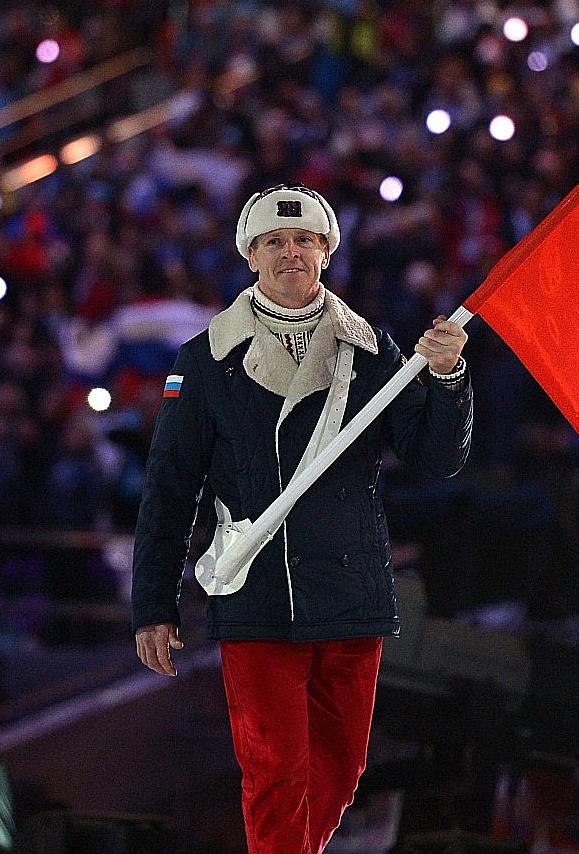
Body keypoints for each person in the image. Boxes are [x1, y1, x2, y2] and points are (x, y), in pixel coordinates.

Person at [132, 183, 472, 854]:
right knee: (276, 776)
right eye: (274, 242)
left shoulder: (373, 347)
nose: (290, 252)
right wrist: (153, 605)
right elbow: (170, 490)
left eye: (304, 240)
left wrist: (448, 376)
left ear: (326, 252)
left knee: (341, 777)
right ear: (251, 257)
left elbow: (435, 459)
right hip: (259, 596)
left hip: (351, 596)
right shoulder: (203, 361)